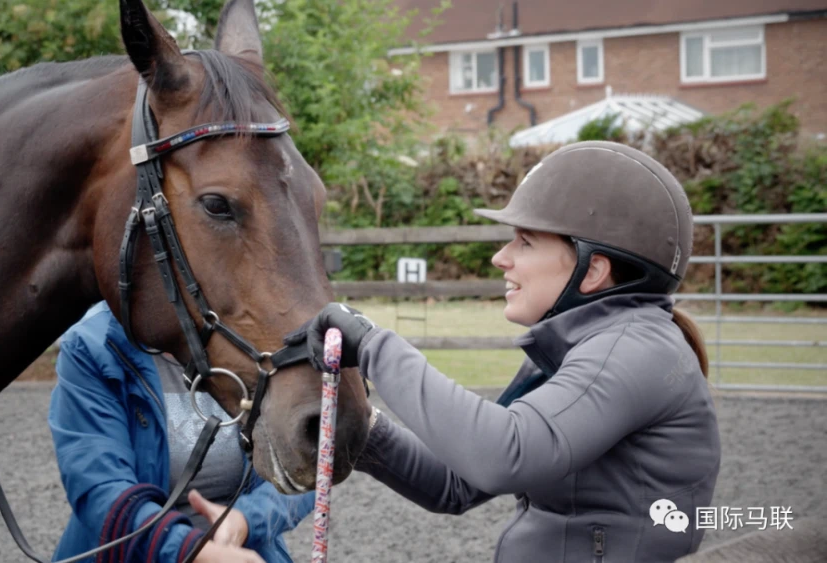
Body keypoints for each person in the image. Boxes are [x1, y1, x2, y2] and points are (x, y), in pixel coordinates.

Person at [291, 141, 721, 562]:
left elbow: (502, 454)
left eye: (525, 242)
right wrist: (359, 427)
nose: (501, 257)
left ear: (593, 270)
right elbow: (456, 484)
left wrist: (372, 345)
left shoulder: (631, 350)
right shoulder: (585, 349)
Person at [48, 302, 314, 563]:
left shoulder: (256, 339)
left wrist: (245, 519)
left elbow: (301, 465)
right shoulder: (91, 346)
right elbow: (99, 486)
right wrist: (189, 550)